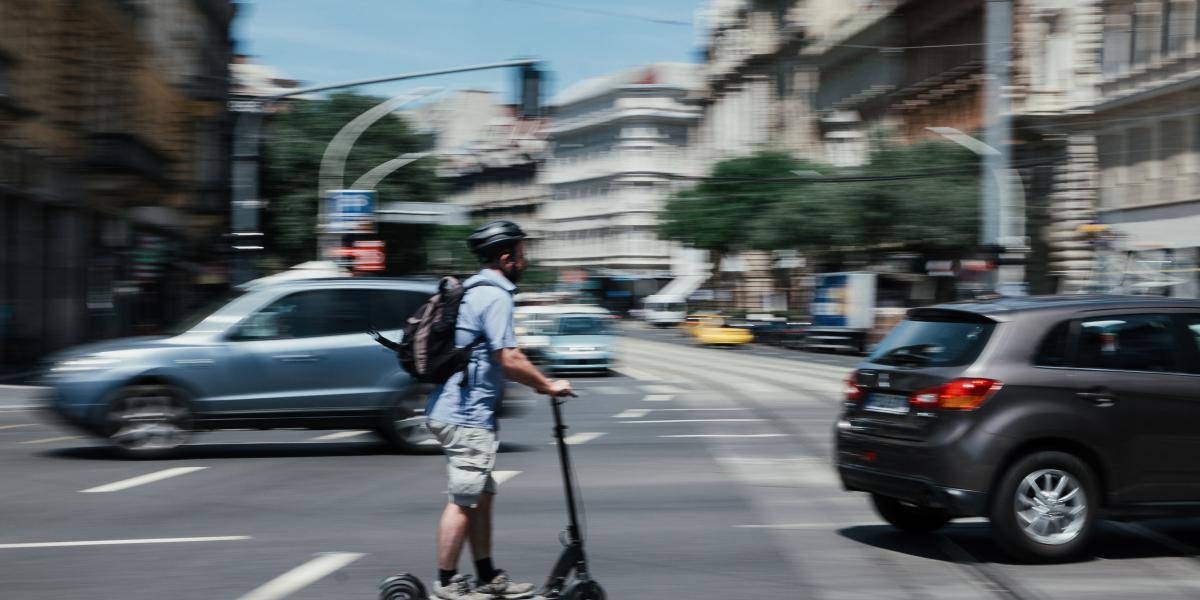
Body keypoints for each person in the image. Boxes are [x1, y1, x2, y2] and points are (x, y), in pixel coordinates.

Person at [426, 220, 573, 600]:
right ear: (506, 258)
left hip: (464, 411)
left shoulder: (478, 289)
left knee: (481, 497)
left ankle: (487, 575)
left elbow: (505, 354)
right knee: (465, 499)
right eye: (522, 253)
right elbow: (508, 358)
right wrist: (547, 385)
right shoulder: (495, 295)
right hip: (465, 415)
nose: (526, 260)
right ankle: (446, 582)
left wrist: (540, 380)